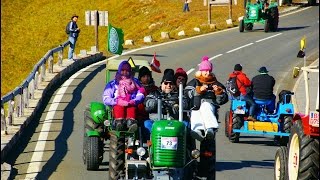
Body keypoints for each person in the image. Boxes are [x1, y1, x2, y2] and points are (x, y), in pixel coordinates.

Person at [185, 56, 228, 141]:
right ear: (200, 71)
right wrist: (198, 90)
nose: (207, 72)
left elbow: (223, 99)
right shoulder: (194, 82)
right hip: (196, 105)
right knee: (195, 110)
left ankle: (210, 129)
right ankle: (197, 130)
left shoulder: (215, 83)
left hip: (210, 106)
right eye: (205, 70)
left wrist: (218, 92)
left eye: (209, 70)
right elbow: (186, 94)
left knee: (205, 105)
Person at [102, 61, 145, 132]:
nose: (125, 72)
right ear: (119, 71)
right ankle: (119, 123)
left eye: (127, 71)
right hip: (117, 104)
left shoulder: (135, 83)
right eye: (122, 70)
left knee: (131, 108)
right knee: (119, 107)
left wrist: (134, 101)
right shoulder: (112, 84)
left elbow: (140, 94)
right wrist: (117, 101)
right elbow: (106, 98)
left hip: (131, 104)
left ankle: (131, 123)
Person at [144, 69, 189, 134]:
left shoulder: (179, 94)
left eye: (171, 83)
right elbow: (147, 103)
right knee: (147, 124)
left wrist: (177, 105)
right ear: (161, 84)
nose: (168, 85)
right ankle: (151, 142)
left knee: (185, 124)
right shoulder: (154, 93)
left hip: (174, 122)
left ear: (174, 85)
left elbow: (185, 103)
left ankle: (183, 143)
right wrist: (157, 103)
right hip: (156, 122)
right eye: (166, 83)